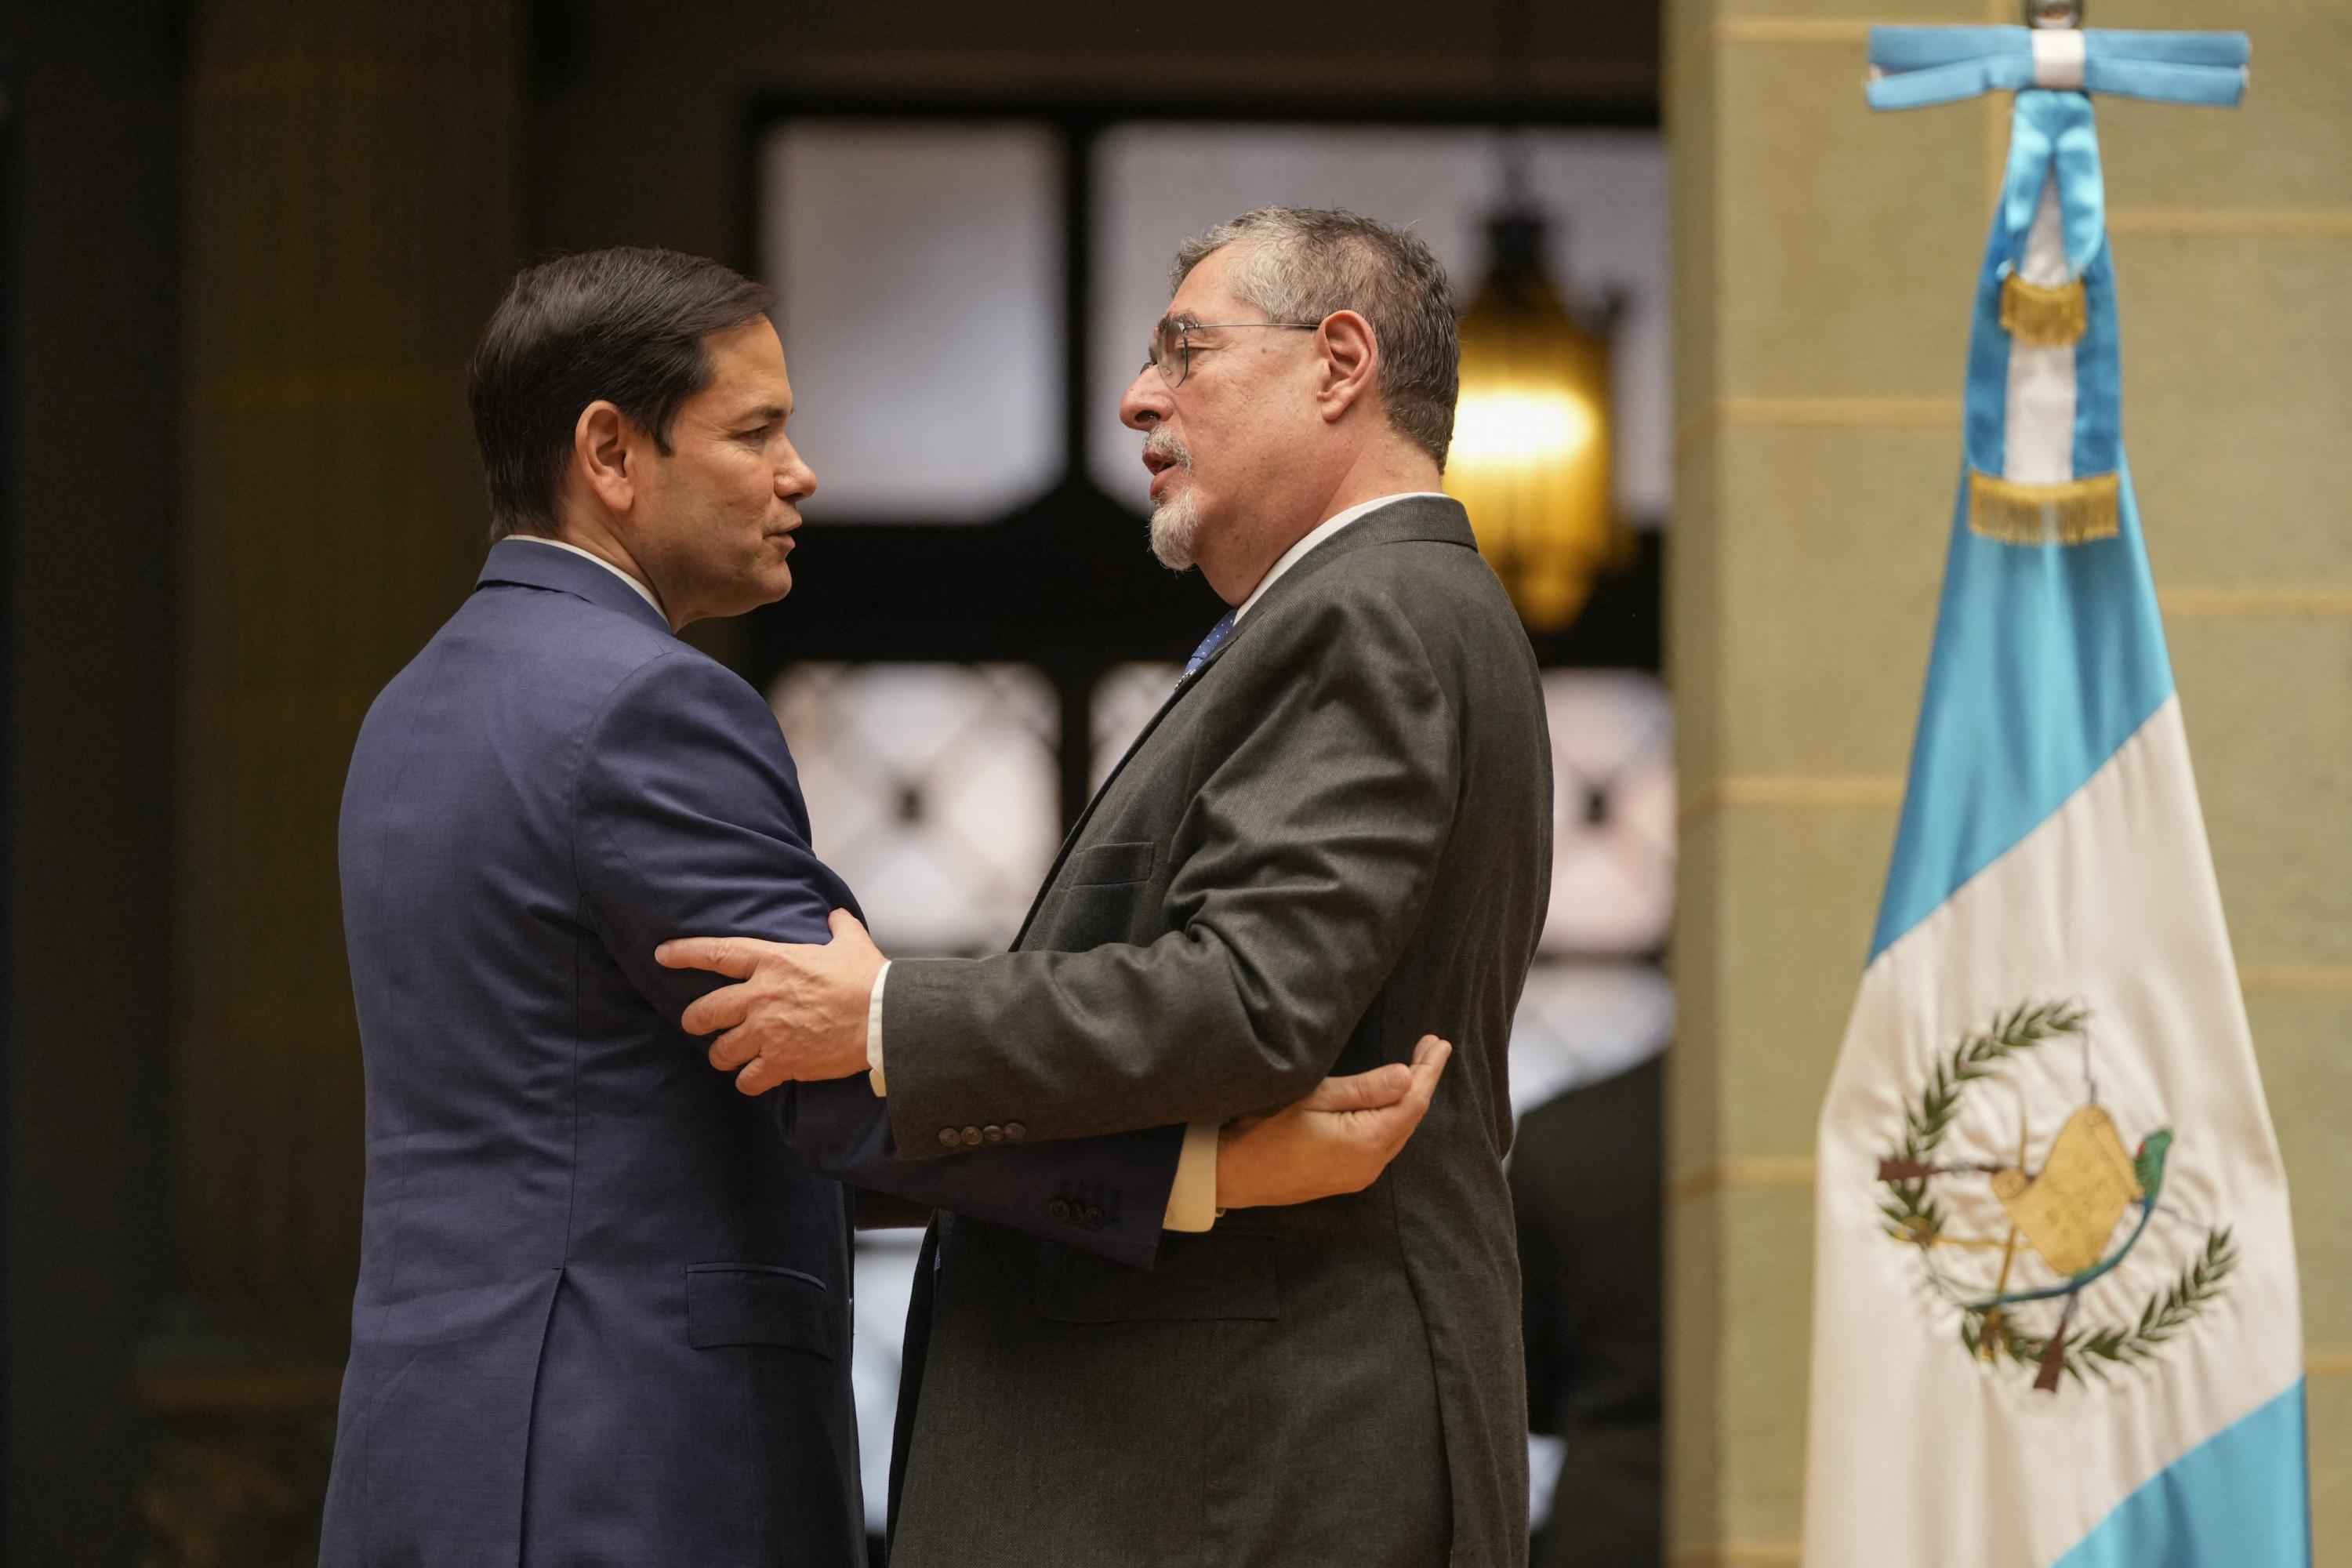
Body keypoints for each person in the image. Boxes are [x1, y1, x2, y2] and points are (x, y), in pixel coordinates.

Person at [320, 245, 1448, 1568]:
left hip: (439, 1449)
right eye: (757, 432)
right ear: (610, 454)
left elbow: (632, 1118)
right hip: (624, 1459)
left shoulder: (412, 709)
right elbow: (832, 1076)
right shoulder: (646, 706)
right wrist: (1213, 1169)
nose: (800, 473)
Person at [661, 207, 1555, 1566]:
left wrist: (890, 1017)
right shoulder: (1358, 613)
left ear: (1340, 363)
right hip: (1251, 1437)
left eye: (1186, 351)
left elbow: (1252, 1000)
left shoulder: (1367, 610)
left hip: (1254, 1451)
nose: (1140, 394)